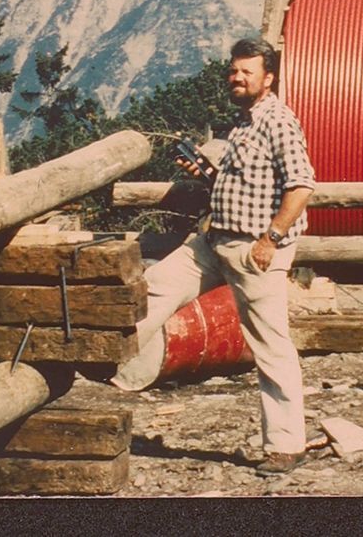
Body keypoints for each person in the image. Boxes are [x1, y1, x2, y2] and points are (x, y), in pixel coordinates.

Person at [111, 37, 317, 477]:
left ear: (269, 77)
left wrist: (271, 239)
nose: (237, 78)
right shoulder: (242, 123)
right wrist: (209, 175)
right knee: (152, 291)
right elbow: (245, 182)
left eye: (247, 71)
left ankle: (286, 444)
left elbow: (301, 185)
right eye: (234, 70)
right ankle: (105, 364)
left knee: (270, 343)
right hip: (213, 241)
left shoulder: (278, 121)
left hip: (253, 249)